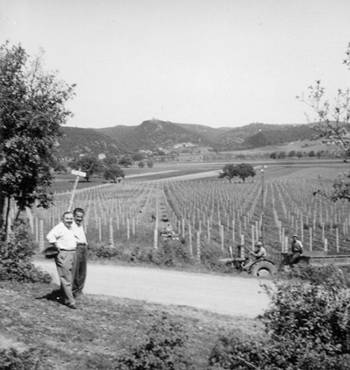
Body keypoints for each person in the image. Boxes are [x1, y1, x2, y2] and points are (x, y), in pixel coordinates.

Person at [46, 211, 78, 309]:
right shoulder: (59, 227)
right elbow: (49, 236)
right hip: (64, 253)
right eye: (67, 218)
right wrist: (56, 246)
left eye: (71, 219)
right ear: (62, 219)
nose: (69, 220)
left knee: (70, 277)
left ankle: (65, 296)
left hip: (72, 253)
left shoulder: (71, 227)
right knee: (66, 277)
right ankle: (70, 301)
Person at [72, 208, 88, 298]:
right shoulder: (71, 225)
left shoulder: (80, 225)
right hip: (77, 248)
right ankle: (74, 291)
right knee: (76, 270)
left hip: (84, 248)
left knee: (83, 271)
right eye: (77, 216)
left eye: (81, 217)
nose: (79, 219)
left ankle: (79, 290)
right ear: (74, 216)